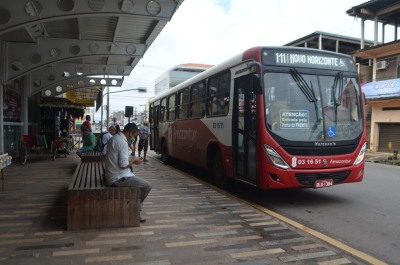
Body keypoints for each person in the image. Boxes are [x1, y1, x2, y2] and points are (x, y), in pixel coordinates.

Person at [104, 123, 152, 223]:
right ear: (130, 132)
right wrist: (135, 161)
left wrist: (132, 160)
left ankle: (135, 210)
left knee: (139, 182)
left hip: (113, 174)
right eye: (134, 135)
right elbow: (123, 165)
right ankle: (134, 210)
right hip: (118, 178)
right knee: (147, 186)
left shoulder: (115, 138)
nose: (134, 138)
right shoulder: (122, 142)